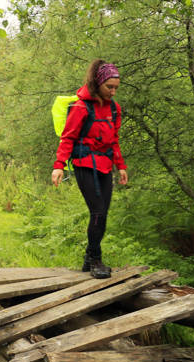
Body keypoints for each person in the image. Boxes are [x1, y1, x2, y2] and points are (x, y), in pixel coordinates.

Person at [51, 60, 128, 278]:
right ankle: (95, 260)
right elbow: (68, 138)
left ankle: (89, 257)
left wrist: (120, 166)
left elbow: (114, 140)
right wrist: (59, 167)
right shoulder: (80, 107)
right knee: (98, 212)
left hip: (105, 166)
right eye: (109, 87)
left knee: (103, 214)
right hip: (85, 165)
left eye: (116, 88)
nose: (113, 92)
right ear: (98, 83)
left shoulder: (114, 108)